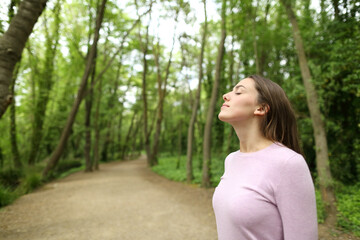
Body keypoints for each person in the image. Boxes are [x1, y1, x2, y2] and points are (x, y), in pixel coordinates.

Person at [212, 75, 318, 240]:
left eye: (238, 92)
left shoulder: (288, 164)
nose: (226, 95)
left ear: (260, 108)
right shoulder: (231, 160)